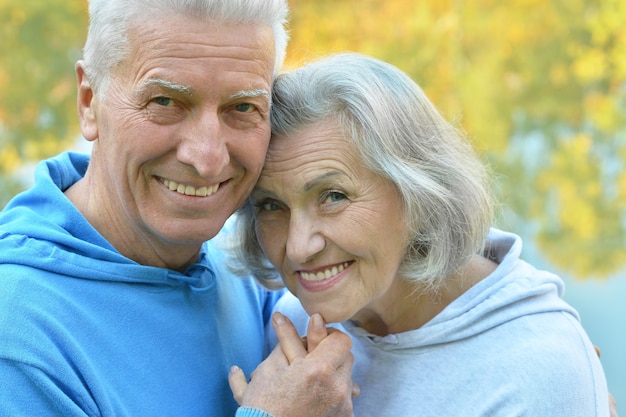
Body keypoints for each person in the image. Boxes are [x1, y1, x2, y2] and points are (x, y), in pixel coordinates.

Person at [0, 1, 356, 416]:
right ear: (89, 101)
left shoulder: (241, 254)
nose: (207, 159)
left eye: (242, 108)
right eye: (165, 102)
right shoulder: (20, 337)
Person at [227, 52, 612, 416]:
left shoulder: (539, 368)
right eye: (270, 205)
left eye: (333, 196)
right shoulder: (293, 324)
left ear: (419, 193)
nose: (297, 248)